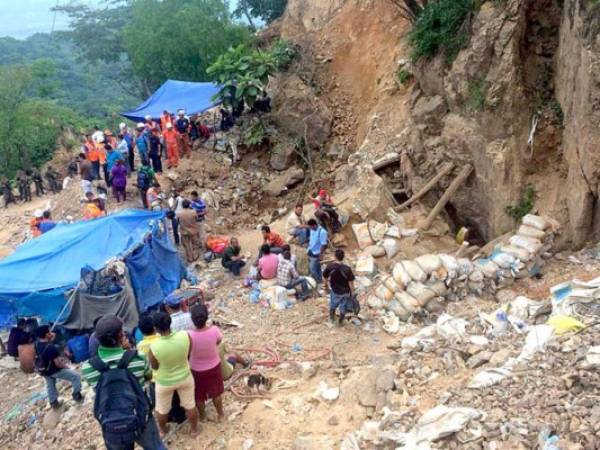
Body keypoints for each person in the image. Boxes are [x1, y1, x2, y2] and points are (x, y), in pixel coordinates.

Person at [81, 315, 167, 450]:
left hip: (111, 423)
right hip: (140, 415)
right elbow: (148, 377)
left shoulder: (89, 367)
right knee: (156, 447)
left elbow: (95, 389)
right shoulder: (138, 358)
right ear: (121, 335)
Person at [148, 312, 199, 437]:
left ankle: (163, 430)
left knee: (162, 409)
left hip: (164, 382)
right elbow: (189, 351)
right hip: (185, 376)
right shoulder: (184, 335)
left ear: (155, 328)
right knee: (190, 405)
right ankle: (194, 430)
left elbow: (154, 366)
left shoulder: (154, 346)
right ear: (170, 322)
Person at [188, 304, 225, 421]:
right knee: (216, 393)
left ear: (193, 320)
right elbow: (218, 341)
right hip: (213, 366)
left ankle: (203, 416)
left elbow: (188, 349)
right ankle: (220, 414)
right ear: (206, 317)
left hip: (196, 370)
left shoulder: (189, 335)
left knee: (199, 396)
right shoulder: (214, 330)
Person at [35, 325, 84, 409]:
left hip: (43, 370)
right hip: (54, 370)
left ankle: (53, 403)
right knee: (76, 377)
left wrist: (50, 335)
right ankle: (77, 396)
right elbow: (58, 363)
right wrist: (68, 367)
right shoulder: (51, 348)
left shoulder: (37, 344)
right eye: (49, 332)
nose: (52, 333)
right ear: (46, 334)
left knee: (50, 385)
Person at [323, 249, 356, 325]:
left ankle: (332, 318)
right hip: (345, 292)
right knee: (343, 307)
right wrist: (353, 292)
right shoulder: (347, 269)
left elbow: (325, 277)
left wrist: (326, 286)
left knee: (333, 304)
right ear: (343, 257)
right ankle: (340, 321)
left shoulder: (330, 266)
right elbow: (351, 282)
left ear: (334, 257)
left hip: (335, 290)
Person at [307, 218, 328, 284]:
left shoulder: (322, 232)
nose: (311, 228)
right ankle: (320, 281)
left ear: (315, 225)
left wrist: (321, 254)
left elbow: (323, 244)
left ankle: (318, 282)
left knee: (312, 269)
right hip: (310, 251)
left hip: (317, 253)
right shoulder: (312, 229)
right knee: (317, 267)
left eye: (311, 227)